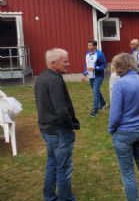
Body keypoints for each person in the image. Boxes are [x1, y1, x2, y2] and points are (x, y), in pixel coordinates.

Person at [109, 53, 139, 201]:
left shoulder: (119, 84)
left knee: (128, 173)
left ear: (119, 67)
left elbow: (115, 113)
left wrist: (111, 129)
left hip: (123, 133)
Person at [34, 48, 80, 201]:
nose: (68, 64)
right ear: (53, 63)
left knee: (52, 163)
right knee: (64, 167)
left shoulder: (40, 78)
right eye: (65, 61)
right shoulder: (54, 80)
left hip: (47, 128)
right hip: (58, 131)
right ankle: (65, 198)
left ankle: (49, 196)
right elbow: (61, 109)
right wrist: (71, 125)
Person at [81, 40, 107, 117]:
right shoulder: (87, 54)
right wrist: (85, 74)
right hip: (91, 76)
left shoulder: (99, 54)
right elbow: (87, 65)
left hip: (98, 76)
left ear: (95, 46)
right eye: (88, 45)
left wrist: (95, 68)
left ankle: (95, 110)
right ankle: (103, 103)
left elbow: (104, 65)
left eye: (90, 45)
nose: (89, 47)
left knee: (95, 92)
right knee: (96, 91)